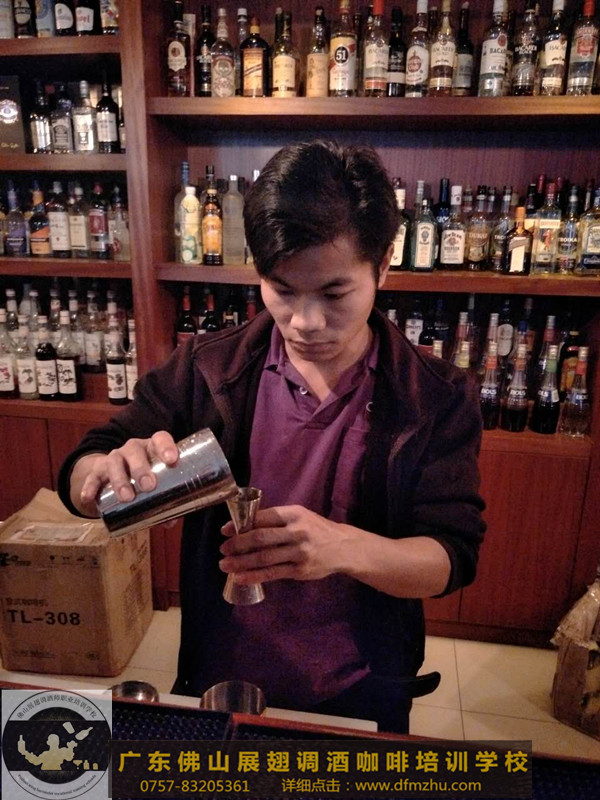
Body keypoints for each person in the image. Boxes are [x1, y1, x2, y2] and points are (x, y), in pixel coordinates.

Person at [58, 140, 485, 733]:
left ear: (384, 265)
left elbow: (451, 557)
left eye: (334, 294)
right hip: (221, 677)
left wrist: (341, 547)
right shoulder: (209, 367)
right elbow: (85, 467)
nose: (305, 323)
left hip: (363, 689)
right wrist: (101, 477)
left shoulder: (434, 395)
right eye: (282, 290)